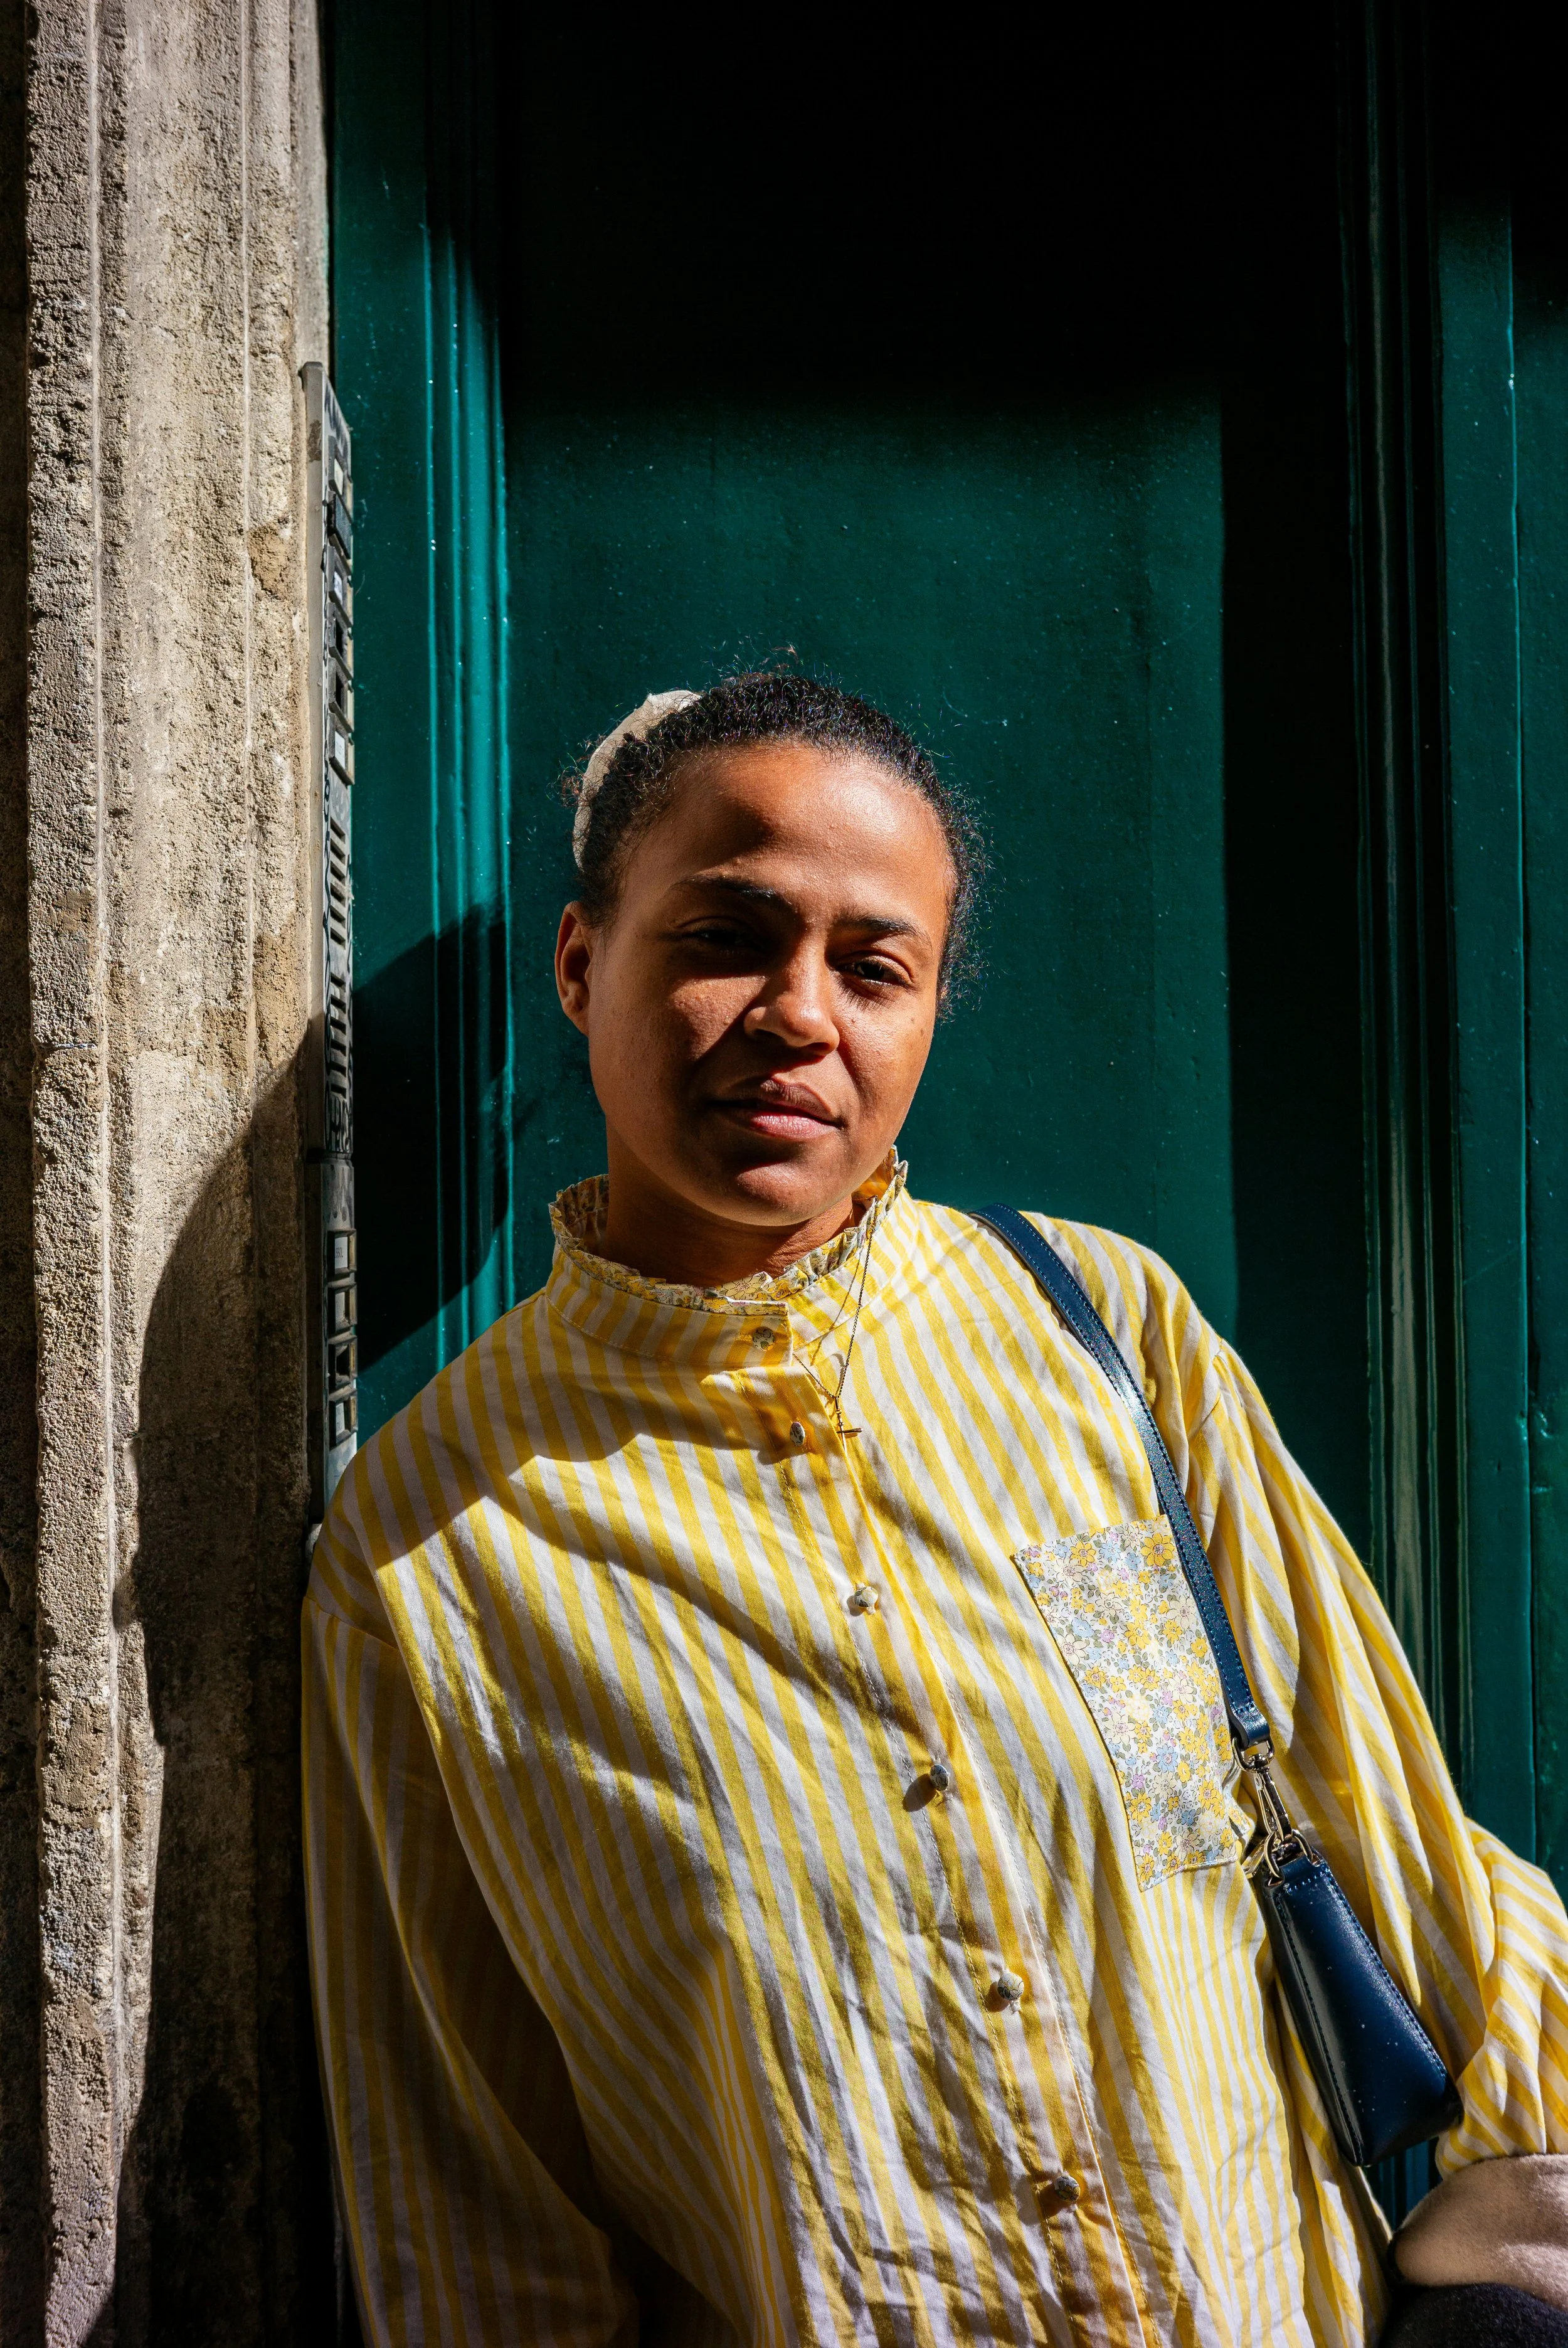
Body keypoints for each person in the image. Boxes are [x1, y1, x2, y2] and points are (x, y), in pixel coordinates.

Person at [304, 674, 1568, 2346]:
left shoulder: (1102, 1331)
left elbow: (1399, 1846)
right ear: (579, 963)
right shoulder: (427, 1549)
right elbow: (470, 2194)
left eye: (871, 965)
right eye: (726, 937)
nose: (797, 1014)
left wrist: (1504, 2273)